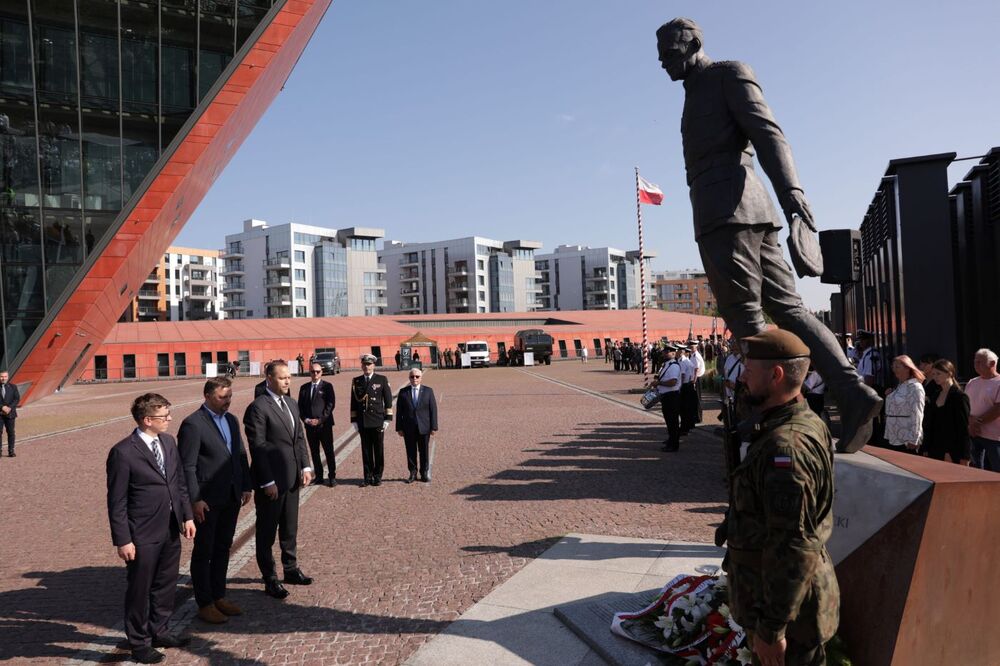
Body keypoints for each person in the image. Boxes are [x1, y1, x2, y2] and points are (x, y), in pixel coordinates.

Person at [655, 17, 881, 454]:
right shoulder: (694, 92)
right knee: (788, 310)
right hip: (737, 210)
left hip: (730, 213)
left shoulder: (727, 74)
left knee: (748, 320)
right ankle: (851, 395)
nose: (663, 62)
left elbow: (769, 134)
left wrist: (795, 197)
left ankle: (771, 417)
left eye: (670, 51)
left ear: (694, 43)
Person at [723, 329, 839, 665]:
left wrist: (772, 629)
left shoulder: (784, 448)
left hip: (789, 620)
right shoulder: (799, 420)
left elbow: (792, 545)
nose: (742, 374)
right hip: (782, 604)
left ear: (775, 375)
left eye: (749, 368)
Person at [106, 393, 196, 664]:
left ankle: (160, 630)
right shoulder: (123, 452)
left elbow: (179, 483)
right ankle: (139, 641)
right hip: (141, 533)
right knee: (140, 589)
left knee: (166, 585)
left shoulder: (168, 442)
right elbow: (117, 501)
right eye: (164, 416)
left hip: (170, 528)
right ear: (147, 420)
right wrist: (123, 540)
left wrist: (187, 516)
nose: (169, 419)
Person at [177, 377, 253, 625]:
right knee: (204, 551)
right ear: (208, 396)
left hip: (231, 496)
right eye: (222, 397)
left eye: (229, 397)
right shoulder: (193, 424)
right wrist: (194, 500)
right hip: (207, 500)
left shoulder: (231, 420)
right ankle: (204, 602)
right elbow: (187, 467)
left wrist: (245, 485)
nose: (227, 402)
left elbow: (240, 454)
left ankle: (219, 595)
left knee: (223, 548)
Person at [243, 360, 314, 600]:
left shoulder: (292, 404)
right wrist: (266, 482)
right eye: (283, 378)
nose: (288, 381)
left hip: (292, 476)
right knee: (266, 532)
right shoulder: (258, 408)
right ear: (269, 379)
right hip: (271, 482)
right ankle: (270, 578)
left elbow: (299, 438)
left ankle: (291, 569)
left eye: (289, 377)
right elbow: (258, 447)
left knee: (290, 528)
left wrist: (305, 466)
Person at [350, 354, 394, 487]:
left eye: (369, 364)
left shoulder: (381, 379)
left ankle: (378, 476)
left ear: (374, 365)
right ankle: (367, 477)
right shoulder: (356, 381)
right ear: (361, 366)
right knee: (366, 451)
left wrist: (387, 419)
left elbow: (388, 400)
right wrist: (354, 420)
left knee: (378, 450)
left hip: (377, 420)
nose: (366, 367)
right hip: (363, 421)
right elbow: (353, 401)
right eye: (364, 364)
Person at [921, 359, 970, 465]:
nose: (935, 377)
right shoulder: (935, 395)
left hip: (952, 450)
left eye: (938, 373)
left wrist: (964, 456)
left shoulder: (959, 397)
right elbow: (930, 423)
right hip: (934, 448)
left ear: (949, 373)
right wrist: (926, 447)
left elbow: (963, 428)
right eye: (933, 374)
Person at [395, 368, 438, 483]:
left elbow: (433, 409)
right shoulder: (403, 392)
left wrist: (434, 427)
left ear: (421, 378)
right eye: (412, 377)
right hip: (408, 427)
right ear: (409, 378)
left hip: (424, 427)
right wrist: (399, 427)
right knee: (410, 451)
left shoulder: (428, 391)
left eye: (417, 376)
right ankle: (412, 473)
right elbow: (399, 411)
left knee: (424, 451)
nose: (414, 379)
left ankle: (424, 472)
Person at [297, 362, 337, 487]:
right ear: (309, 372)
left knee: (328, 451)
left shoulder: (327, 386)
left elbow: (330, 405)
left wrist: (320, 420)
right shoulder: (304, 388)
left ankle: (332, 476)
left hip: (324, 425)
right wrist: (306, 419)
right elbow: (300, 407)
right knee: (314, 452)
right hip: (309, 426)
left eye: (318, 371)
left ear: (322, 372)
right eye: (313, 371)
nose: (315, 374)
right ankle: (319, 476)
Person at [883, 356, 926, 454]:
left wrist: (914, 438)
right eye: (893, 367)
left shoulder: (915, 387)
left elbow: (917, 414)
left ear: (907, 368)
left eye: (897, 367)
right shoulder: (900, 386)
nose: (894, 370)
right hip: (894, 435)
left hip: (906, 438)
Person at [966, 348, 1000, 471]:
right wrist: (970, 423)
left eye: (980, 362)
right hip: (974, 434)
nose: (976, 365)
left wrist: (976, 422)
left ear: (992, 364)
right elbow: (966, 405)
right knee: (976, 471)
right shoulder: (972, 382)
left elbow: (997, 409)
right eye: (975, 362)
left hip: (994, 437)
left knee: (996, 471)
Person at [656, 344, 683, 452]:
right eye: (664, 352)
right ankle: (671, 440)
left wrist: (659, 383)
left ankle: (673, 444)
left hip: (672, 396)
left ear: (673, 353)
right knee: (669, 421)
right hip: (666, 396)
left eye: (666, 352)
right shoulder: (666, 364)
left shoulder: (674, 366)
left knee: (673, 422)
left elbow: (673, 382)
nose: (664, 353)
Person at [0, 370, 19, 457]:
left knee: (11, 432)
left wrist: (10, 407)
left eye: (5, 376)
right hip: (0, 413)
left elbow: (16, 399)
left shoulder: (13, 387)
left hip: (10, 414)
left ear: (8, 377)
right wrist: (2, 407)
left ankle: (11, 450)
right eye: (1, 376)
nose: (3, 378)